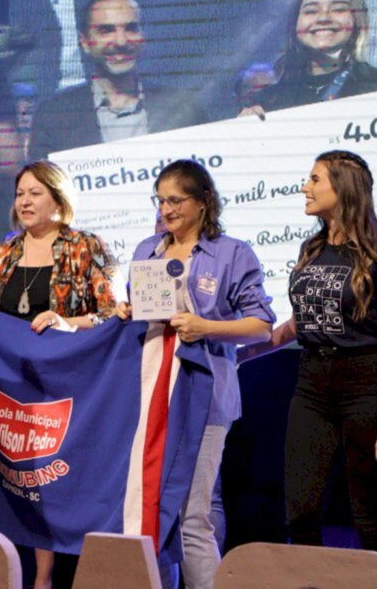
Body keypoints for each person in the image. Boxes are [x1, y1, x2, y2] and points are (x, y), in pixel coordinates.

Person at [115, 160, 274, 589]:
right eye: (160, 200)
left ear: (204, 202)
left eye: (175, 200)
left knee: (192, 519)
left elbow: (261, 324)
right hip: (152, 398)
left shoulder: (231, 253)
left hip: (205, 398)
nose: (166, 209)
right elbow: (142, 315)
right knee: (153, 514)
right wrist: (126, 310)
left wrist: (207, 327)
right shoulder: (147, 250)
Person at [240, 150, 377, 557]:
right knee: (301, 510)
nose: (304, 188)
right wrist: (251, 347)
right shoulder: (311, 248)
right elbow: (303, 319)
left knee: (367, 514)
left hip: (364, 385)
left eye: (314, 180)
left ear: (343, 188)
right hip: (312, 384)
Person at [0, 160, 116, 589]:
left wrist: (68, 322)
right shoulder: (5, 251)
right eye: (20, 193)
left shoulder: (84, 246)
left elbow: (112, 312)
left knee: (54, 483)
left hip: (67, 383)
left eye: (35, 192)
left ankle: (50, 578)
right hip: (10, 385)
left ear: (59, 199)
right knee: (18, 481)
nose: (24, 201)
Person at [30, 0, 206, 159]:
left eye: (131, 28)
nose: (121, 41)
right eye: (106, 30)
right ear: (84, 41)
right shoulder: (54, 116)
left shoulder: (182, 106)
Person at [240, 0, 377, 116]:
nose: (323, 18)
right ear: (295, 24)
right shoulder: (267, 102)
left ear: (356, 20)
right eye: (311, 11)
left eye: (338, 9)